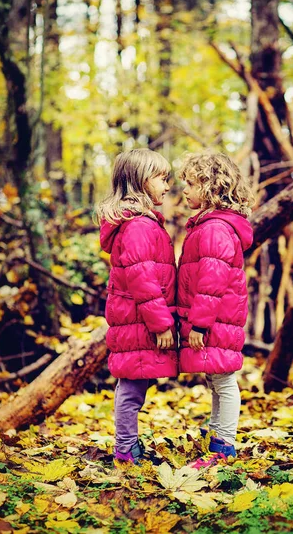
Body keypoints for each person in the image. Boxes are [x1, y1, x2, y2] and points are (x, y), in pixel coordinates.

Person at [97, 148, 178, 465]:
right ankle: (126, 449)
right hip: (139, 319)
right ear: (141, 181)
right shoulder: (139, 226)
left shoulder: (139, 223)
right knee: (131, 388)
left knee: (133, 386)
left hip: (135, 318)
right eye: (162, 178)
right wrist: (161, 323)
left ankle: (127, 445)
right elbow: (142, 277)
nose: (167, 186)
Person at [177, 152, 254, 468]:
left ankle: (225, 445)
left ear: (210, 188)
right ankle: (216, 435)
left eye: (191, 184)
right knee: (216, 377)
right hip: (219, 318)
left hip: (216, 318)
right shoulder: (209, 225)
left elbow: (212, 280)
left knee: (224, 380)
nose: (185, 191)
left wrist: (199, 324)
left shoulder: (215, 229)